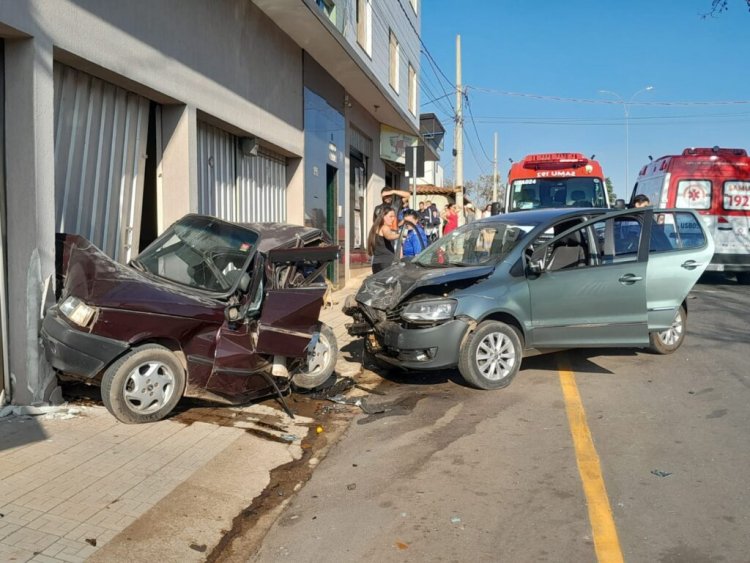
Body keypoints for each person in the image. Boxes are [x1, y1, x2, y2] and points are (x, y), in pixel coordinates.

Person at [367, 206, 400, 274]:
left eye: (394, 216)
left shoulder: (375, 228)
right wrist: (401, 235)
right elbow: (389, 236)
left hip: (376, 264)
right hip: (386, 264)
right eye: (391, 216)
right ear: (383, 216)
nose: (393, 219)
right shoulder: (385, 227)